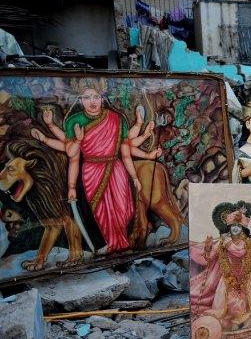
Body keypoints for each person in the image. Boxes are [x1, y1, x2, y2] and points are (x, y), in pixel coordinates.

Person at [34, 78, 161, 252]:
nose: (92, 101)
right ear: (80, 100)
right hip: (91, 172)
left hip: (117, 170)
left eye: (96, 96)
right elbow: (72, 156)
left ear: (102, 97)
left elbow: (125, 151)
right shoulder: (74, 121)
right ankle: (113, 246)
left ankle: (123, 243)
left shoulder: (117, 119)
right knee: (102, 213)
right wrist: (71, 187)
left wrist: (134, 177)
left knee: (126, 211)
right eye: (86, 98)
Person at [189, 201, 251, 332]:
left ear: (242, 228)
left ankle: (245, 320)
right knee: (225, 299)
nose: (235, 228)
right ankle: (232, 321)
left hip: (247, 274)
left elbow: (239, 252)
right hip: (228, 276)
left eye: (238, 226)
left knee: (245, 298)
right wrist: (208, 247)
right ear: (228, 227)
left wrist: (226, 241)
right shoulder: (223, 241)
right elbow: (209, 257)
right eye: (232, 226)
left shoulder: (247, 241)